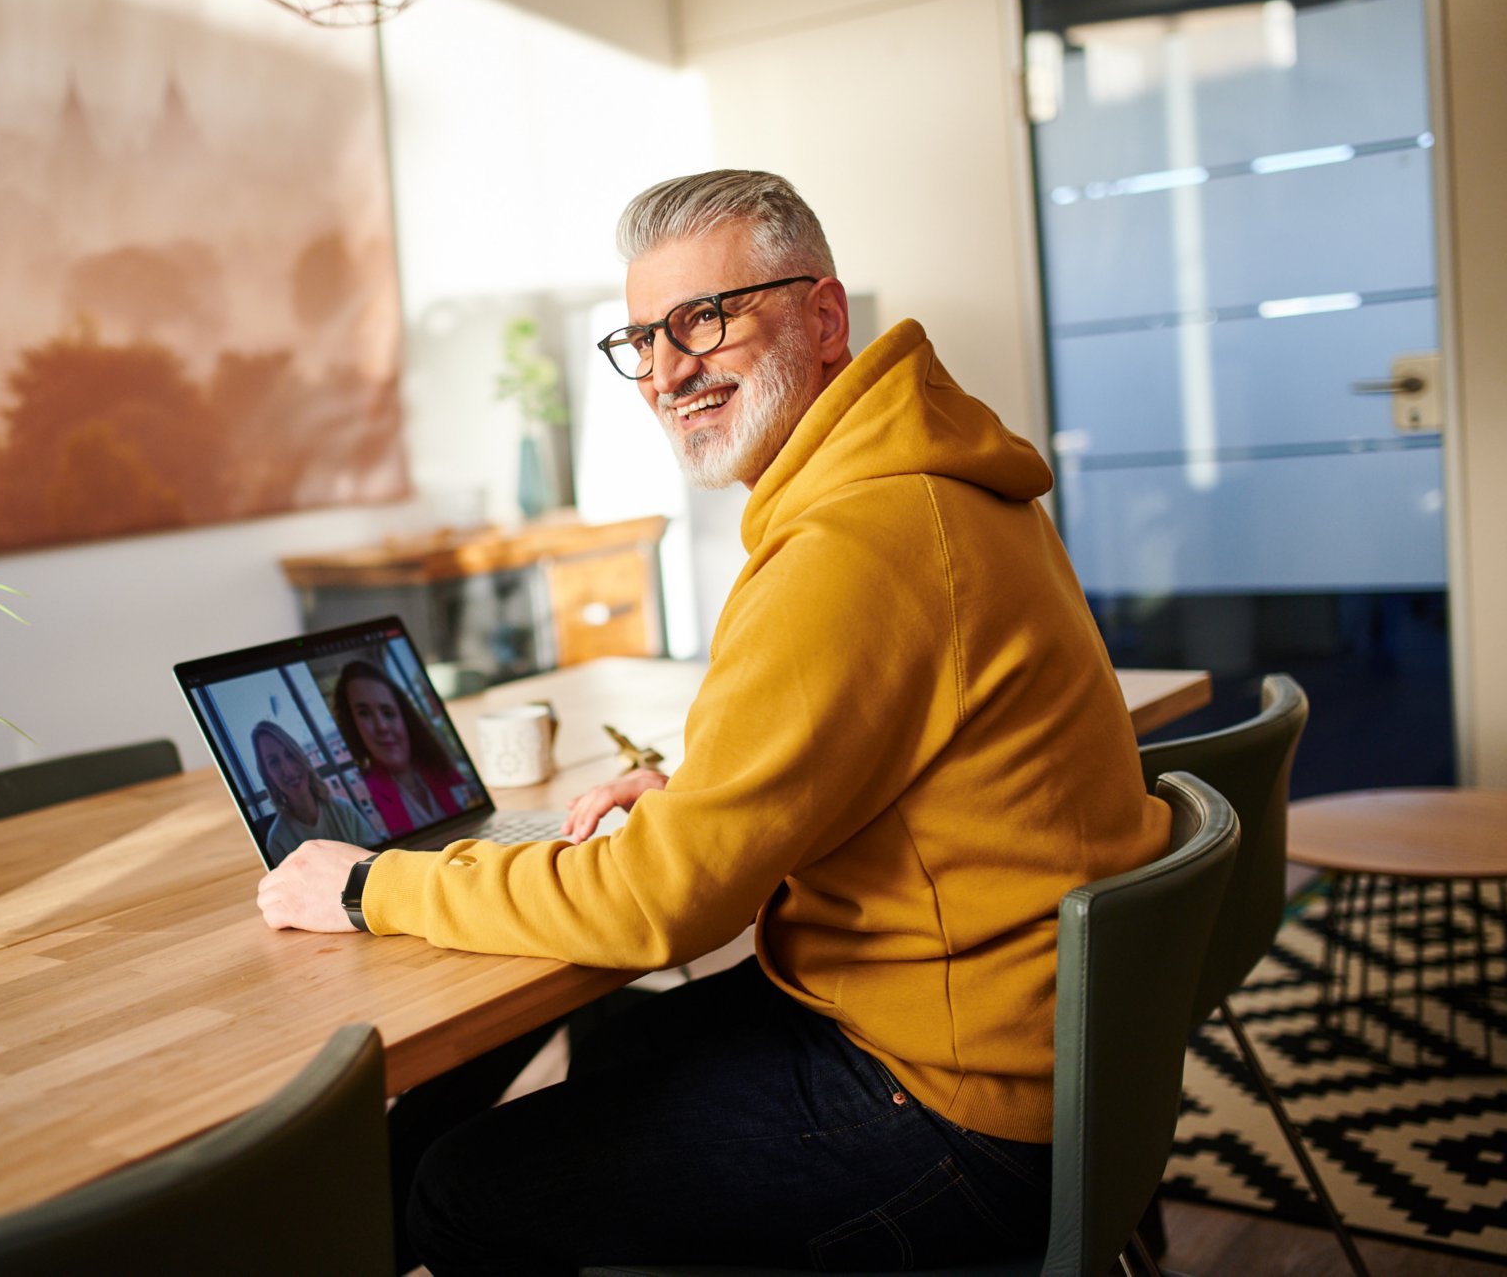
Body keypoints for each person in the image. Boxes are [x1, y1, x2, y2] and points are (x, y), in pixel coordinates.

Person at [257, 169, 1171, 1273]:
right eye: (642, 336)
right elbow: (880, 757)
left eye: (706, 317)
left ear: (823, 318)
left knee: (462, 1183)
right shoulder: (920, 482)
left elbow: (658, 906)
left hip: (953, 1107)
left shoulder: (853, 541)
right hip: (1017, 1044)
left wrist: (365, 885)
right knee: (609, 1052)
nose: (668, 369)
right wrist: (698, 793)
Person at [332, 659, 468, 834]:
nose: (382, 726)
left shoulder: (441, 769)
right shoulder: (361, 801)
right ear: (352, 726)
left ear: (405, 718)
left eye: (388, 713)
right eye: (364, 713)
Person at [250, 719, 384, 864]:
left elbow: (377, 865)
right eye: (274, 762)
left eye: (289, 755)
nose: (287, 771)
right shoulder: (277, 843)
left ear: (300, 756)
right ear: (267, 777)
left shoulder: (343, 810)